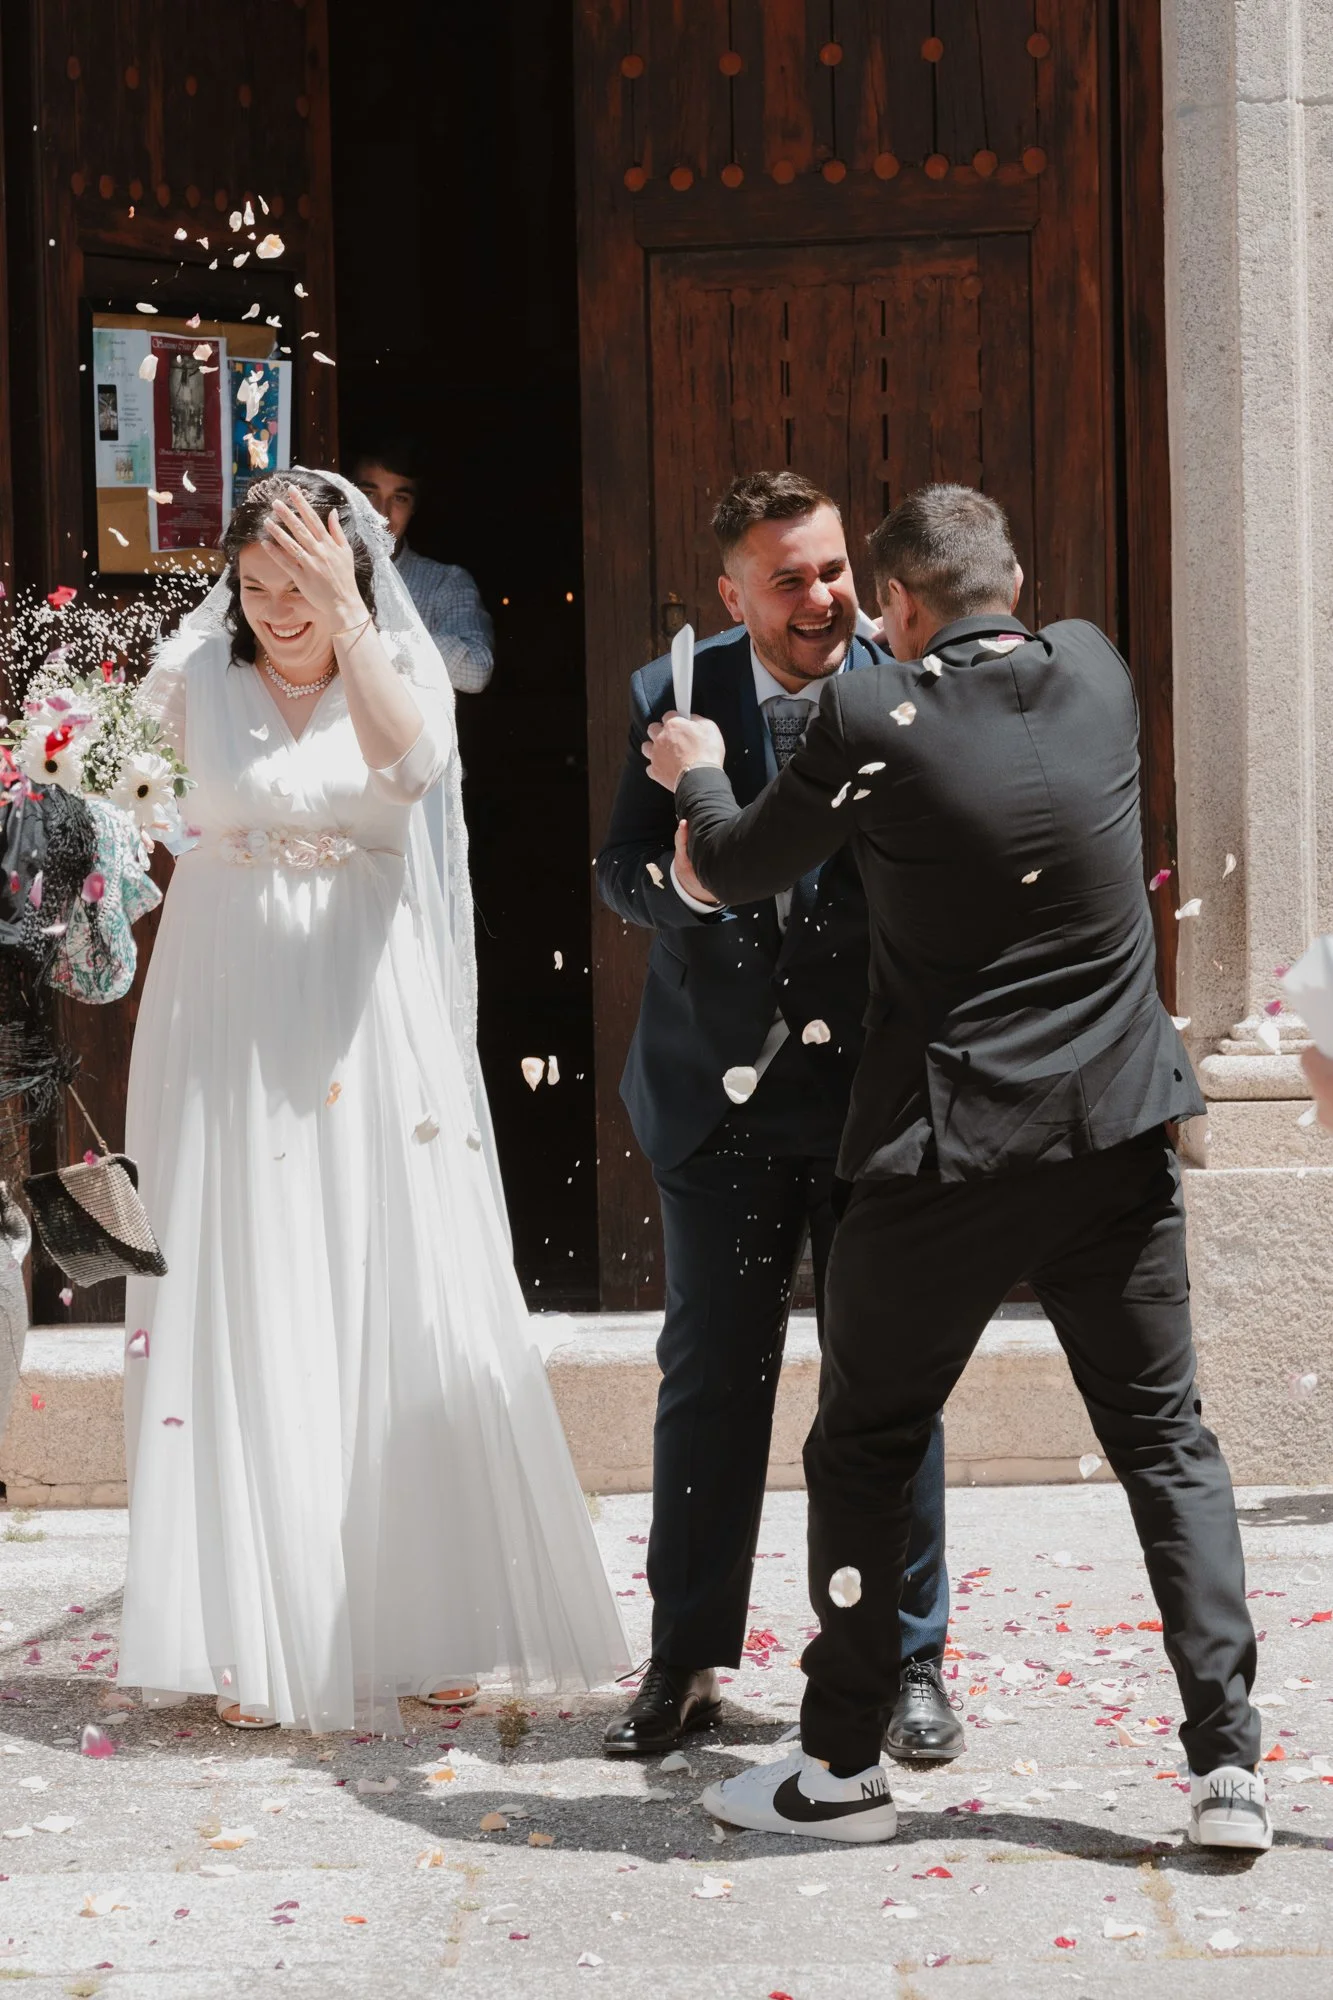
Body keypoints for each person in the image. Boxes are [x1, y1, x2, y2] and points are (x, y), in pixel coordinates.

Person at [645, 484, 1269, 1852]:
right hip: (1113, 1139)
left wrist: (696, 766)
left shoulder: (867, 720)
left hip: (945, 1153)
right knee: (1167, 1445)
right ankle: (1229, 1770)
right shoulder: (1100, 671)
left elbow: (735, 864)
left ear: (897, 611)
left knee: (864, 1444)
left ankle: (842, 1769)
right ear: (1020, 579)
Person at [117, 469, 628, 1732]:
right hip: (224, 1003)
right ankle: (246, 1620)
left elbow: (413, 767)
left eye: (302, 584)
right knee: (245, 1275)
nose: (277, 609)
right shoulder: (193, 680)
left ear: (349, 575)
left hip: (362, 1000)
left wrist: (352, 624)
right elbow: (109, 799)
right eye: (256, 587)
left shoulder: (390, 663)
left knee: (387, 1267)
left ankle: (423, 1613)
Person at [596, 472, 956, 1761]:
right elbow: (619, 866)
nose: (822, 597)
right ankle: (687, 1656)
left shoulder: (910, 677)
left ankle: (908, 1661)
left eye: (833, 569)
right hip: (717, 1099)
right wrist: (678, 890)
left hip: (872, 1100)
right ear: (731, 590)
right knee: (711, 1379)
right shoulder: (671, 692)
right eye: (788, 577)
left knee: (886, 1381)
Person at [351, 443, 494, 694]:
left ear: (414, 506)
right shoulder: (318, 572)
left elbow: (476, 670)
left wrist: (383, 641)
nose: (381, 514)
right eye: (369, 494)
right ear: (348, 497)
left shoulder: (444, 583)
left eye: (399, 498)